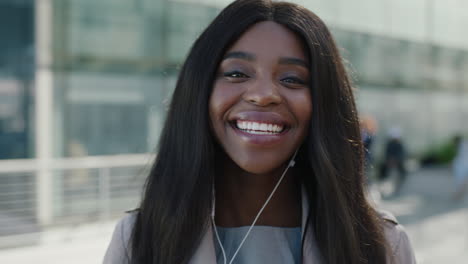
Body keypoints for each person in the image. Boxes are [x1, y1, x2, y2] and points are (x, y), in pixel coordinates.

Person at [103, 1, 415, 263]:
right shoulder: (139, 241)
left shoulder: (383, 247)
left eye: (292, 79)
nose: (263, 94)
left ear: (323, 104)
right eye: (236, 73)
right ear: (199, 91)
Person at [378, 127, 408, 196]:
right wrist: (389, 160)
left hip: (398, 163)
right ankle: (385, 188)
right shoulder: (390, 144)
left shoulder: (399, 144)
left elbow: (402, 154)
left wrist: (396, 160)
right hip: (390, 163)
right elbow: (387, 154)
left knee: (400, 175)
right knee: (385, 174)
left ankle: (396, 189)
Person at [452, 135, 468, 201]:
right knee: (461, 181)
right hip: (461, 165)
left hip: (462, 166)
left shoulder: (463, 145)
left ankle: (458, 194)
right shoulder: (463, 145)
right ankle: (458, 194)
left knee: (461, 181)